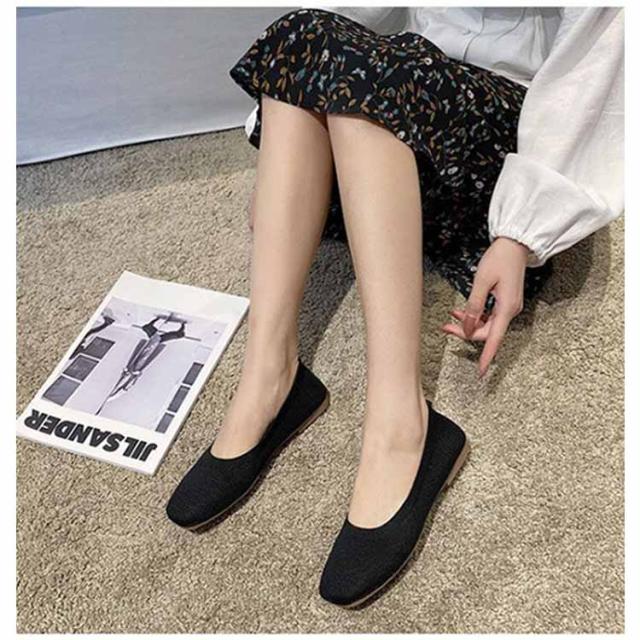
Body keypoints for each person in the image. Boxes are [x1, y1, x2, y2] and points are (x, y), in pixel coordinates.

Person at [166, 6, 624, 607]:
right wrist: (284, 155)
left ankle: (402, 422)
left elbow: (597, 55)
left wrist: (521, 232)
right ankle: (269, 375)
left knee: (371, 83)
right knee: (308, 34)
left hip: (503, 145)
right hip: (395, 146)